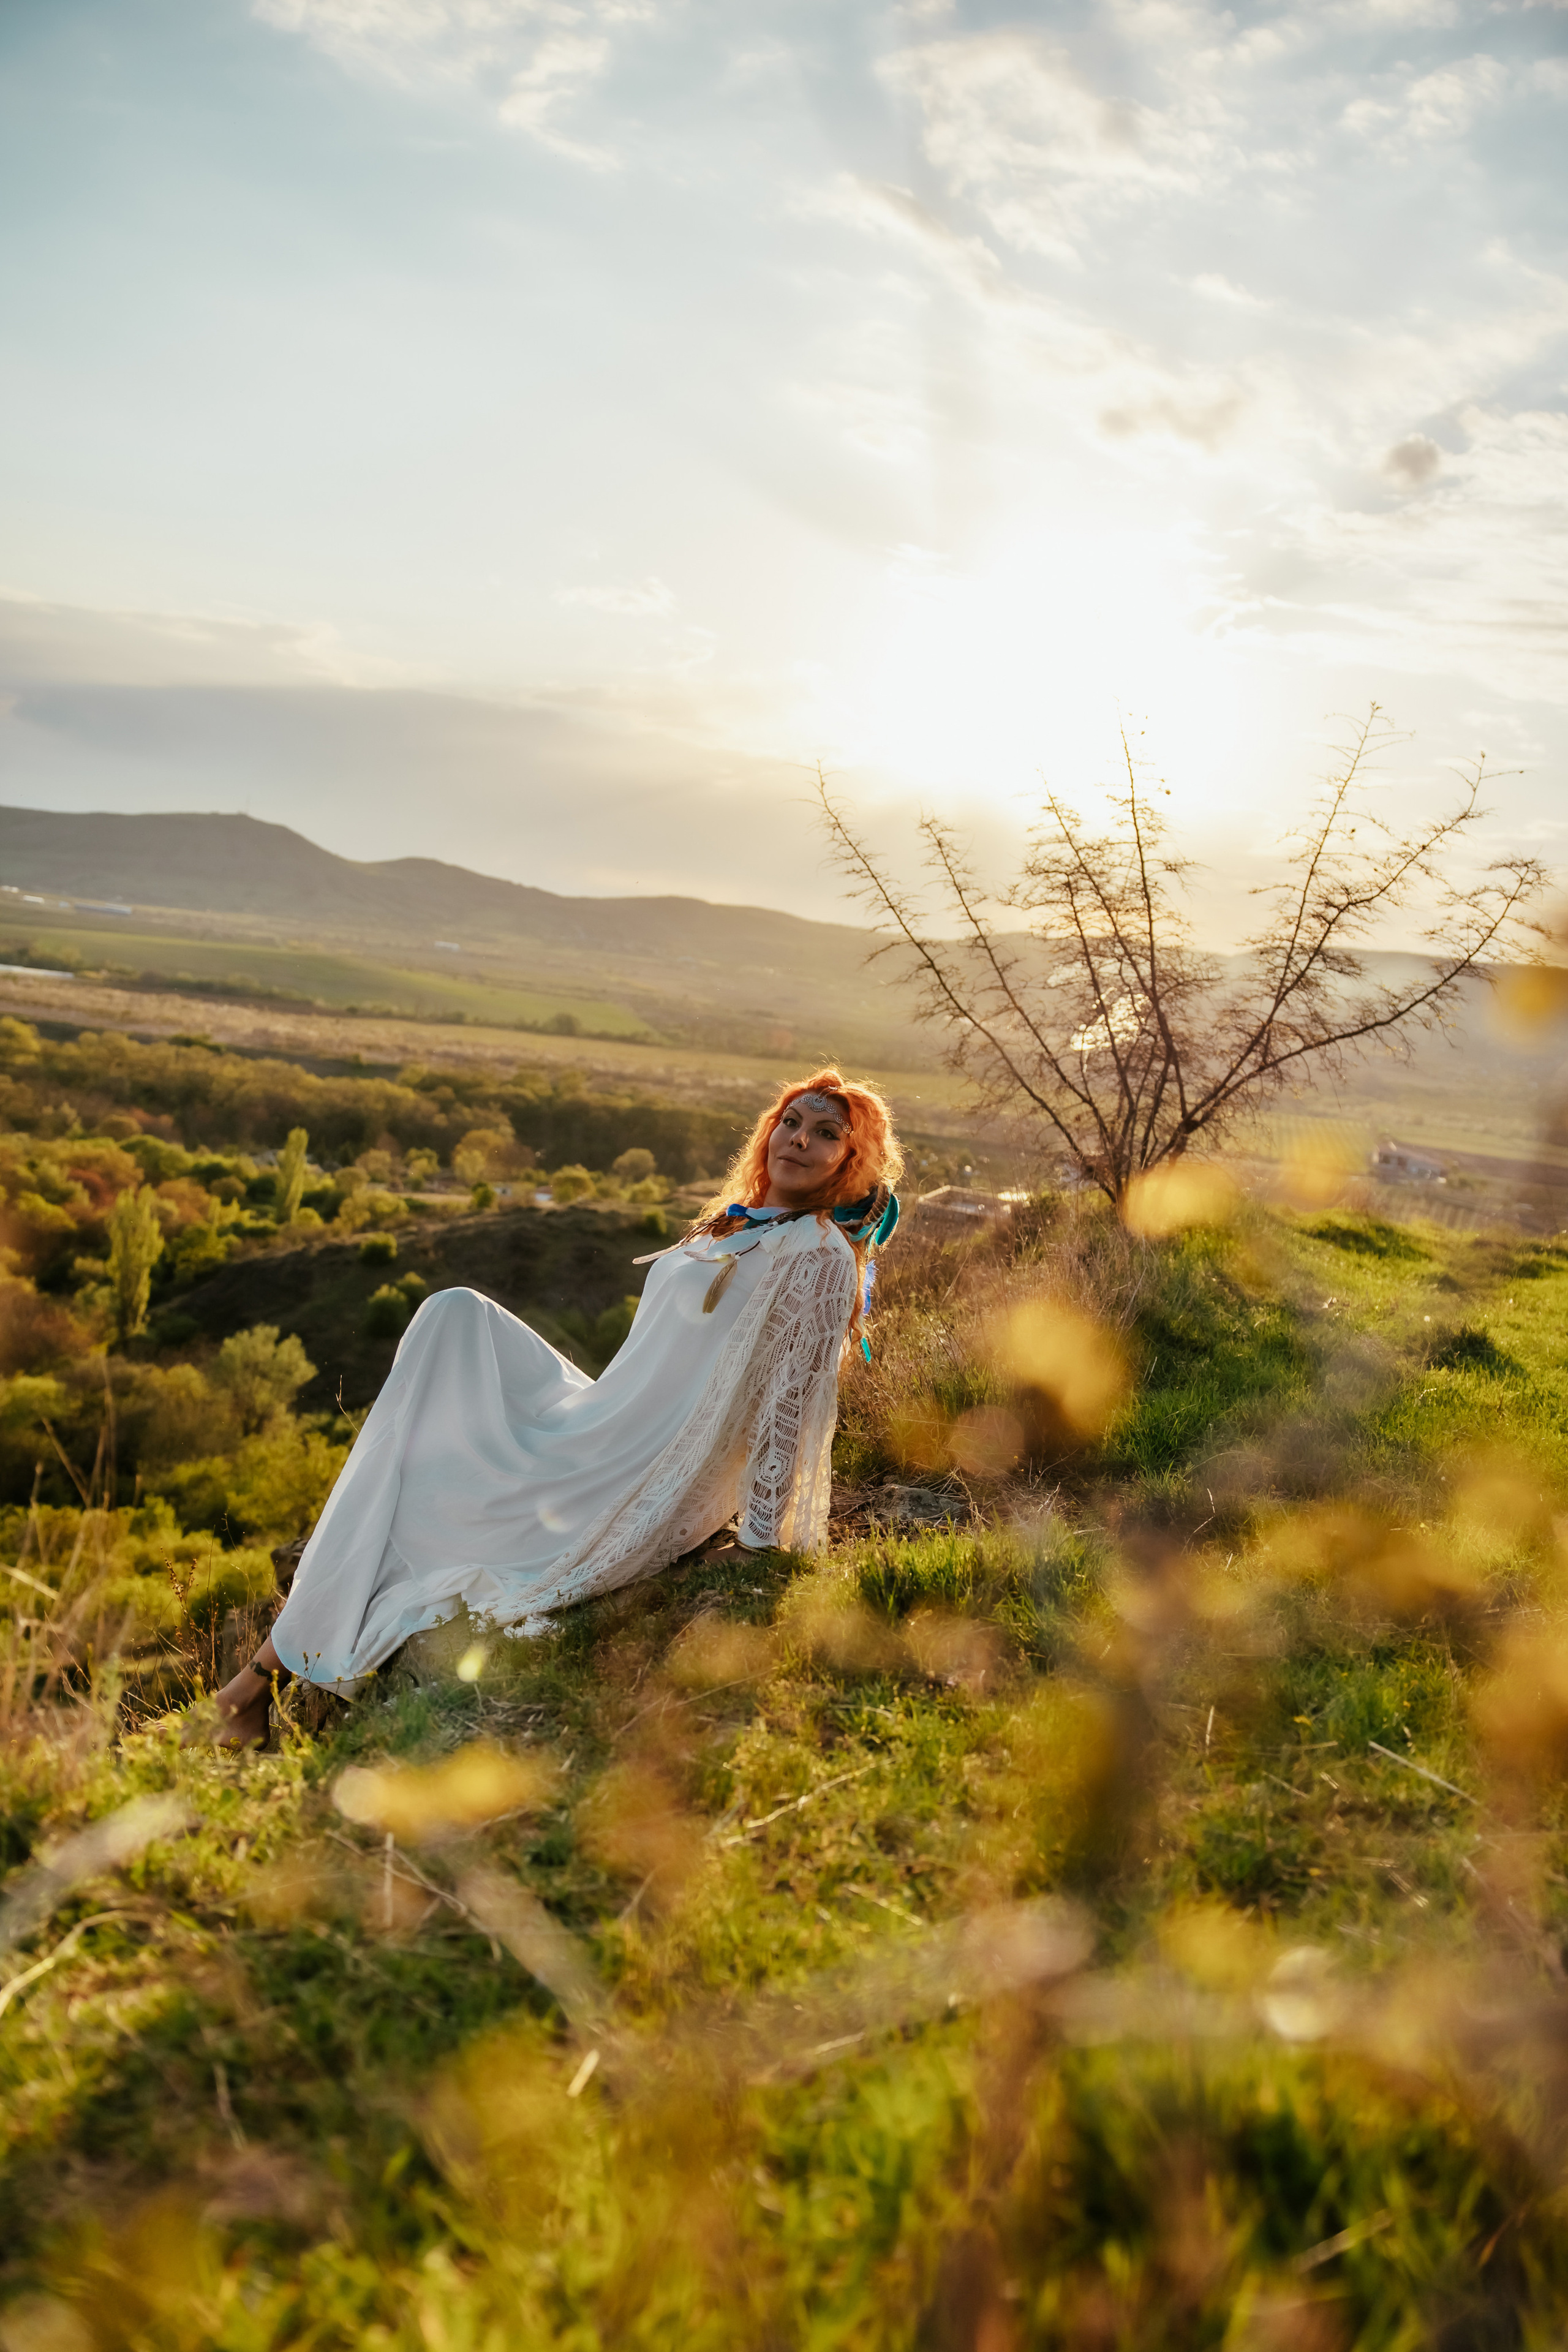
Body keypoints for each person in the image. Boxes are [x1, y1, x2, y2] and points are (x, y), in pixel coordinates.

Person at [203, 1069, 902, 1745]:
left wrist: (760, 1539)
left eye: (826, 1133)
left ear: (853, 1160)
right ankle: (258, 1683)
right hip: (604, 1418)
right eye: (790, 1121)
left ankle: (252, 1685)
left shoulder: (817, 1256)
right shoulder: (730, 1224)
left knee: (432, 1488)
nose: (799, 1140)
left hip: (647, 1460)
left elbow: (792, 1404)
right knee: (454, 1319)